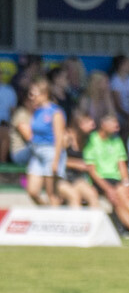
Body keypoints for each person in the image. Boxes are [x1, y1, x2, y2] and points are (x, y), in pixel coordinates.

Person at [79, 110, 129, 237]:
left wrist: (126, 183)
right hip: (100, 180)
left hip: (115, 179)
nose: (116, 126)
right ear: (103, 124)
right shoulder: (92, 140)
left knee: (126, 195)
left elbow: (122, 165)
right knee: (119, 197)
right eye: (113, 123)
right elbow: (92, 170)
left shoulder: (117, 141)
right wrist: (108, 189)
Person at [22, 78, 79, 207]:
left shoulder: (55, 112)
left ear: (44, 94)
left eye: (33, 94)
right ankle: (46, 211)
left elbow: (59, 137)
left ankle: (55, 215)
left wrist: (56, 160)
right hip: (37, 153)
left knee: (51, 193)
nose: (31, 97)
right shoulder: (36, 111)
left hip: (51, 152)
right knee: (32, 191)